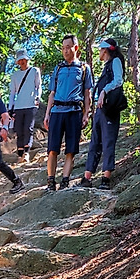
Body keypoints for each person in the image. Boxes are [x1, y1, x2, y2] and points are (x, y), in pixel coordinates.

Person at [43, 35, 93, 190]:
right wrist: (47, 114)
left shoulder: (84, 68)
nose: (65, 50)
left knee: (71, 149)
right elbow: (52, 93)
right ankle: (51, 181)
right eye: (63, 47)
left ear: (75, 48)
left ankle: (65, 180)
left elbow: (87, 94)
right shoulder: (58, 68)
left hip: (74, 111)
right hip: (57, 110)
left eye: (68, 47)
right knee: (52, 149)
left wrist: (86, 114)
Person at [83, 37, 126, 189]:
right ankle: (87, 177)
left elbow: (118, 81)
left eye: (100, 49)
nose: (99, 53)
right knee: (95, 141)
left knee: (108, 141)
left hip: (110, 108)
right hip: (101, 109)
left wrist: (104, 92)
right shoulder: (106, 66)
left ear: (106, 50)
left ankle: (105, 179)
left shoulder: (115, 62)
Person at [7, 48, 41, 163]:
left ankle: (26, 152)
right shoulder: (15, 75)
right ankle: (20, 154)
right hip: (19, 105)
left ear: (27, 59)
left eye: (23, 59)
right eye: (20, 60)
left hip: (31, 104)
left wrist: (37, 98)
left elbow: (38, 86)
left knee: (28, 128)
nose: (22, 62)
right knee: (19, 130)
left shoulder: (34, 71)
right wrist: (10, 108)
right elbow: (12, 93)